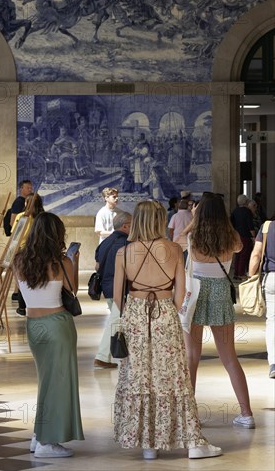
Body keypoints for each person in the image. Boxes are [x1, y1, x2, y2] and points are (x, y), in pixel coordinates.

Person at [113, 200, 222, 460]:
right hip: (164, 313)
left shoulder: (124, 252)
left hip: (136, 314)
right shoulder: (174, 249)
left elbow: (118, 296)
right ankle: (192, 443)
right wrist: (165, 308)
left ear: (137, 220)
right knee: (172, 377)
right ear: (161, 220)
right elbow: (181, 293)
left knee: (139, 375)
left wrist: (136, 309)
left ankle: (148, 444)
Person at [13, 212, 84, 458]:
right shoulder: (60, 262)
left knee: (46, 381)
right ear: (57, 235)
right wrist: (73, 261)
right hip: (57, 324)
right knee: (58, 383)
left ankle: (39, 434)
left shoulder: (19, 259)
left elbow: (20, 292)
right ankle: (46, 442)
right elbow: (73, 289)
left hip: (33, 326)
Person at [184, 194, 255, 428]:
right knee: (230, 358)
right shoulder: (231, 236)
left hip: (195, 293)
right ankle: (246, 414)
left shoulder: (192, 236)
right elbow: (239, 247)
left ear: (200, 212)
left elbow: (176, 239)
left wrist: (193, 220)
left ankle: (190, 416)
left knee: (191, 356)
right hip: (220, 293)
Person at [94, 211, 132, 369]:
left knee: (118, 321)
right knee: (116, 321)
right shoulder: (126, 244)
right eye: (133, 224)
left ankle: (122, 354)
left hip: (107, 286)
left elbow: (97, 264)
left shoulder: (106, 242)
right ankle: (103, 357)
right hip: (119, 288)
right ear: (125, 226)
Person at [248, 220, 275, 379]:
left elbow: (256, 254)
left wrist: (251, 278)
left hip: (272, 278)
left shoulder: (266, 227)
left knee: (272, 320)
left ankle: (273, 363)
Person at [11, 193, 45, 316]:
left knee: (22, 279)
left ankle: (22, 307)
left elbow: (14, 234)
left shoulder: (21, 217)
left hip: (22, 251)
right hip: (39, 251)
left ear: (27, 203)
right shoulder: (43, 217)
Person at [10, 180, 33, 301]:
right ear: (21, 189)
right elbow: (13, 221)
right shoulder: (19, 202)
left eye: (31, 188)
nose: (30, 190)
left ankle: (18, 291)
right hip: (20, 241)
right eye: (27, 188)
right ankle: (17, 291)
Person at [230, 194, 255, 280]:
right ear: (246, 202)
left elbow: (232, 224)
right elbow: (250, 225)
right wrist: (254, 236)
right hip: (245, 236)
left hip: (236, 235)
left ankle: (236, 273)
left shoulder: (235, 211)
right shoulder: (247, 212)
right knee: (244, 255)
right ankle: (241, 273)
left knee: (237, 254)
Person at [168, 199, 192, 263]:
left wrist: (171, 240)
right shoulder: (191, 216)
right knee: (187, 264)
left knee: (177, 263)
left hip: (177, 243)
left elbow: (171, 230)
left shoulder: (175, 216)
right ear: (187, 206)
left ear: (179, 207)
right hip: (188, 243)